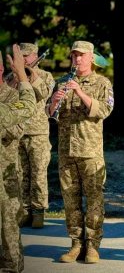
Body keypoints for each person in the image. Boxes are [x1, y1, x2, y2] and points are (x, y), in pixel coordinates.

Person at [46, 41, 114, 264]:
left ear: (91, 57)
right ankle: (76, 243)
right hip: (67, 152)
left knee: (94, 201)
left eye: (81, 56)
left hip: (90, 151)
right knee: (70, 201)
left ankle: (93, 246)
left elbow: (104, 110)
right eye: (74, 55)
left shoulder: (102, 82)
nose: (77, 59)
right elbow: (51, 113)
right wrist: (53, 102)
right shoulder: (62, 82)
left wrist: (80, 92)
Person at [9, 43, 54, 228]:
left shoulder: (45, 76)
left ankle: (38, 212)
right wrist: (17, 76)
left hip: (38, 133)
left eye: (27, 56)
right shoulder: (13, 76)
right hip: (19, 131)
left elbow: (44, 92)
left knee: (38, 174)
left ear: (35, 55)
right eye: (22, 56)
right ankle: (25, 210)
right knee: (21, 174)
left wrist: (31, 75)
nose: (25, 59)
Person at [0, 44, 37, 273]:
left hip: (7, 175)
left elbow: (17, 129)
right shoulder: (15, 99)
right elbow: (26, 109)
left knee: (9, 230)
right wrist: (22, 74)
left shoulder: (11, 95)